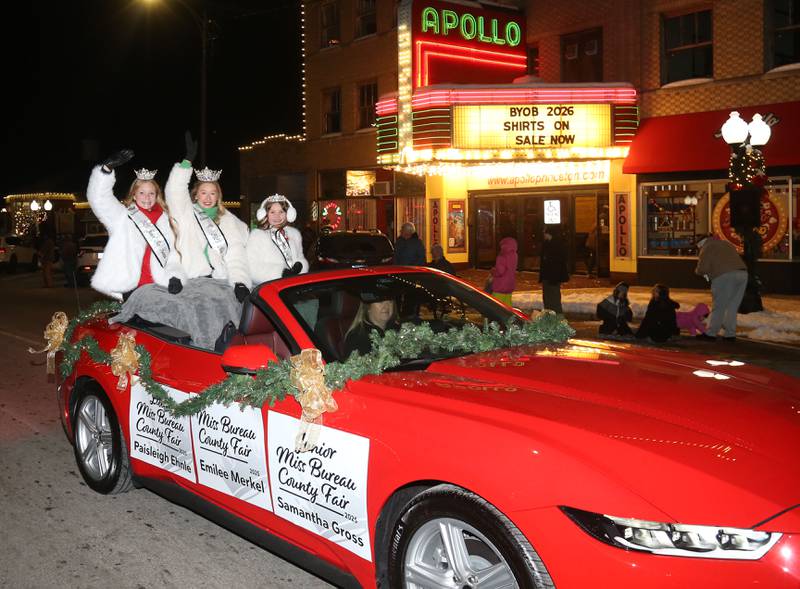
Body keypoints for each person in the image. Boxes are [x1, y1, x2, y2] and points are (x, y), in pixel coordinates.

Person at [164, 137, 251, 303]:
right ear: (196, 195)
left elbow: (235, 255)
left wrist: (239, 282)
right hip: (190, 281)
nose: (208, 197)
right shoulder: (185, 213)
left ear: (218, 196)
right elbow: (175, 191)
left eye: (213, 193)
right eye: (203, 192)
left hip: (220, 282)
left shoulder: (229, 221)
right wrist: (187, 162)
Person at [86, 150, 181, 300]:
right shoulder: (122, 216)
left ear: (157, 195)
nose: (147, 197)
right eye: (142, 193)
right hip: (132, 288)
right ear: (134, 195)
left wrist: (175, 276)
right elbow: (99, 198)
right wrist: (106, 170)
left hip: (160, 287)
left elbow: (173, 256)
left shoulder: (167, 220)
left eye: (151, 193)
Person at [694, 234, 748, 341]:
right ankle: (730, 334)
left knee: (719, 306)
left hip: (724, 275)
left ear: (700, 243)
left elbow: (702, 268)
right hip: (742, 274)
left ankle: (711, 333)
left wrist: (697, 271)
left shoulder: (707, 247)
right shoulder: (725, 243)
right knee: (732, 306)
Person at [247, 194, 309, 283]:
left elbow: (300, 257)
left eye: (281, 212)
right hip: (271, 287)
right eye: (272, 212)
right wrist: (280, 273)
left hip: (294, 284)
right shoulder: (257, 236)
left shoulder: (294, 234)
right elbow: (251, 267)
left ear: (288, 214)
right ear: (265, 214)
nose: (277, 216)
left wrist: (300, 266)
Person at [343, 291, 399, 357]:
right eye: (380, 301)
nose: (386, 306)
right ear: (368, 307)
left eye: (390, 300)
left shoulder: (397, 330)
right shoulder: (358, 337)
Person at [538, 226, 569, 314]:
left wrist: (554, 277)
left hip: (553, 276)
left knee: (554, 298)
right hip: (547, 275)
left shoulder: (557, 244)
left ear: (549, 233)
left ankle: (557, 318)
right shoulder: (547, 244)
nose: (543, 234)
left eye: (544, 232)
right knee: (547, 298)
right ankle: (550, 317)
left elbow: (557, 262)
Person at [489, 236, 517, 306]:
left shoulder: (502, 256)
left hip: (500, 285)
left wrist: (493, 271)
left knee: (495, 306)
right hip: (510, 284)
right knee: (507, 306)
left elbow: (500, 271)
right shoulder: (515, 255)